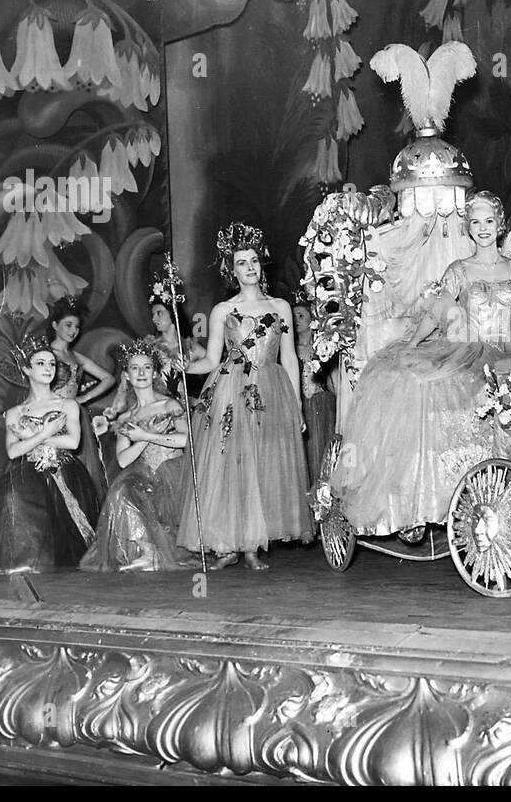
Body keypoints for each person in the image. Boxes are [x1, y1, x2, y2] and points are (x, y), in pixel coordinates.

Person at [331, 190, 511, 535]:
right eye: (475, 222)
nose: (482, 228)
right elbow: (437, 312)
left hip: (509, 351)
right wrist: (412, 343)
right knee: (422, 384)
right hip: (467, 351)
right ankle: (426, 501)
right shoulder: (459, 270)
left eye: (488, 221)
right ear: (467, 228)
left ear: (499, 225)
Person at [176, 223, 311, 570]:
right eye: (241, 263)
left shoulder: (280, 306)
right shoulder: (223, 310)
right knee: (234, 465)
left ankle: (253, 545)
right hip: (232, 390)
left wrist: (295, 403)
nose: (250, 267)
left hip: (271, 388)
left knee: (263, 466)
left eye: (254, 261)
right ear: (231, 270)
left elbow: (290, 357)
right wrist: (183, 365)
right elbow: (210, 359)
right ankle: (230, 544)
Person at [0, 334, 100, 573]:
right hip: (28, 469)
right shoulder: (15, 412)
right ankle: (21, 564)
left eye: (52, 363)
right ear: (27, 369)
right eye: (41, 364)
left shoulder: (67, 404)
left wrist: (30, 437)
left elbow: (73, 442)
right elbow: (13, 452)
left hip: (64, 470)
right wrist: (44, 434)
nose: (48, 368)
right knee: (11, 498)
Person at [80, 338, 193, 572]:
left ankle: (156, 551)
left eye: (147, 367)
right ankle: (146, 550)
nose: (141, 372)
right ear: (128, 376)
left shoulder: (168, 405)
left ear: (153, 373)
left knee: (151, 498)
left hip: (174, 473)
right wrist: (144, 436)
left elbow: (186, 440)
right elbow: (122, 459)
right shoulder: (126, 417)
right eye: (135, 368)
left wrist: (148, 436)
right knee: (121, 491)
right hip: (143, 472)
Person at [45, 295, 113, 494]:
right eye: (68, 325)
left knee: (81, 474)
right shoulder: (46, 355)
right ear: (55, 325)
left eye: (76, 326)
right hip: (52, 417)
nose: (73, 331)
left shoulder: (76, 356)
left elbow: (108, 378)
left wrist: (83, 399)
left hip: (76, 418)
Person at [293, 300, 338, 489]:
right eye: (293, 316)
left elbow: (333, 381)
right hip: (299, 404)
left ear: (312, 319)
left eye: (301, 316)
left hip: (321, 404)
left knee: (322, 452)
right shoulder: (289, 349)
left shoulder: (324, 348)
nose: (296, 320)